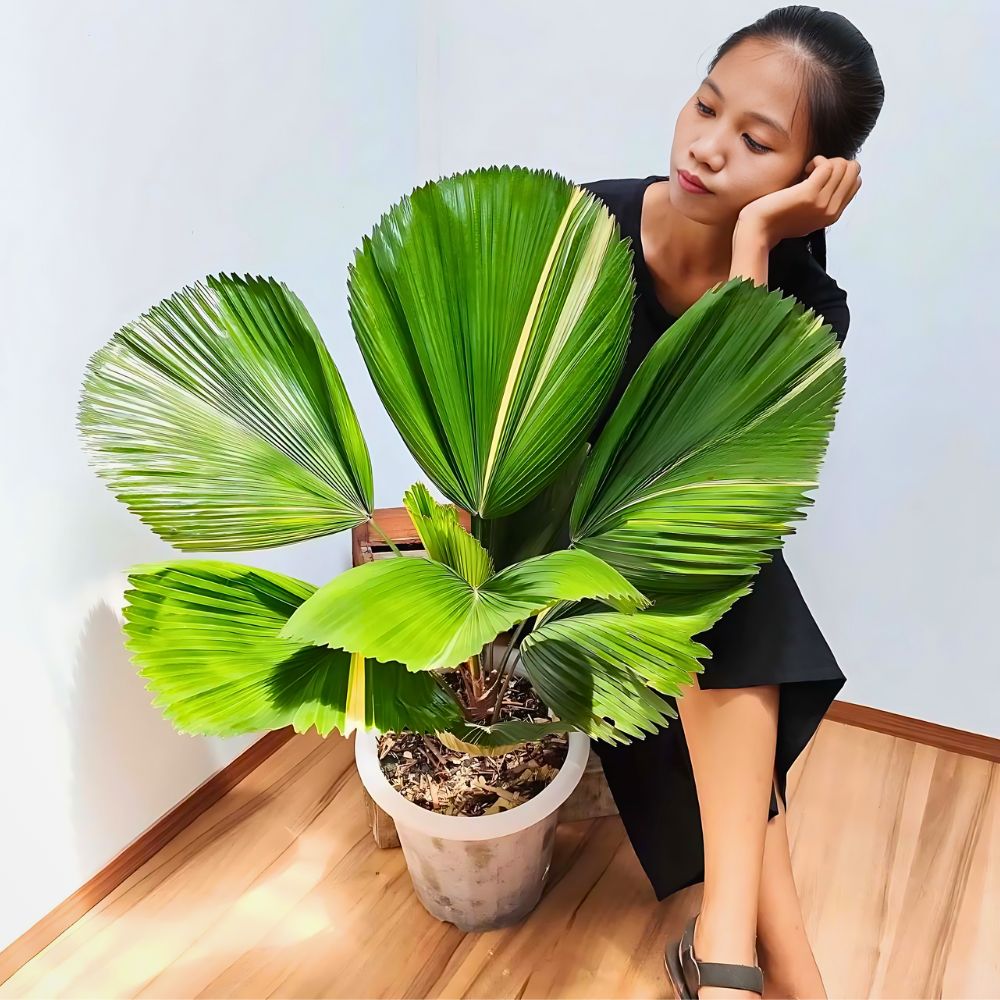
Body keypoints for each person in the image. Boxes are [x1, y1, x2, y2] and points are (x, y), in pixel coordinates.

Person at [578, 7, 884, 998]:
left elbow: (725, 481)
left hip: (680, 577)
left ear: (809, 178)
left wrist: (754, 241)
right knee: (729, 584)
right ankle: (765, 961)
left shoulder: (804, 308)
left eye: (757, 143)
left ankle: (732, 956)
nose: (706, 147)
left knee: (721, 570)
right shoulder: (573, 235)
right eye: (706, 106)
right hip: (557, 557)